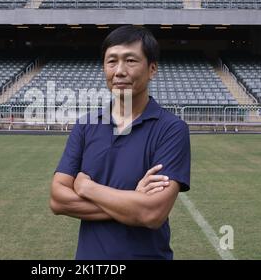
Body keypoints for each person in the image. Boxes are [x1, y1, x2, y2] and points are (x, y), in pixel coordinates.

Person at [49, 25, 191, 260]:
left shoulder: (171, 129)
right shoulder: (86, 125)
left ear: (152, 69)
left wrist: (87, 188)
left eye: (131, 61)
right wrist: (131, 202)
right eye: (111, 61)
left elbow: (152, 213)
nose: (119, 71)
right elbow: (57, 200)